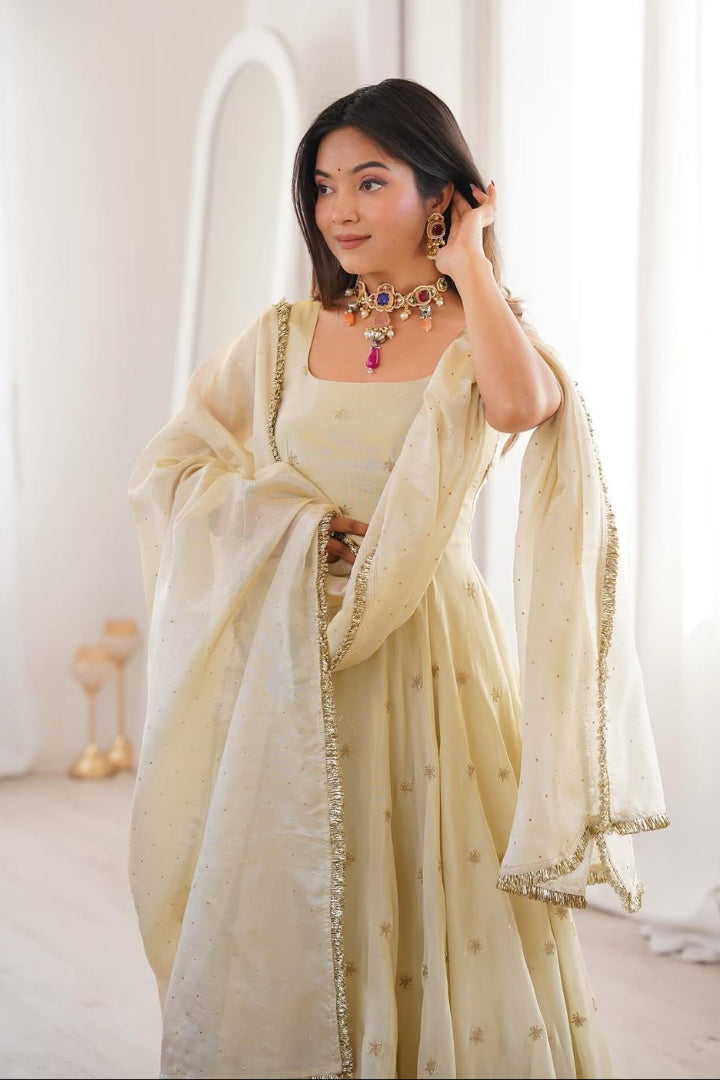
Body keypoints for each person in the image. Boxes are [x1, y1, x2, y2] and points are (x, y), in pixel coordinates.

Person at [127, 78, 668, 1080]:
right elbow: (173, 468)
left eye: (371, 182)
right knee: (293, 880)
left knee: (426, 886)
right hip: (287, 651)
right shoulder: (285, 337)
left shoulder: (479, 338)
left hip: (429, 652)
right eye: (326, 185)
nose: (341, 209)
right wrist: (284, 527)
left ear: (443, 192)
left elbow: (522, 406)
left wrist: (469, 266)